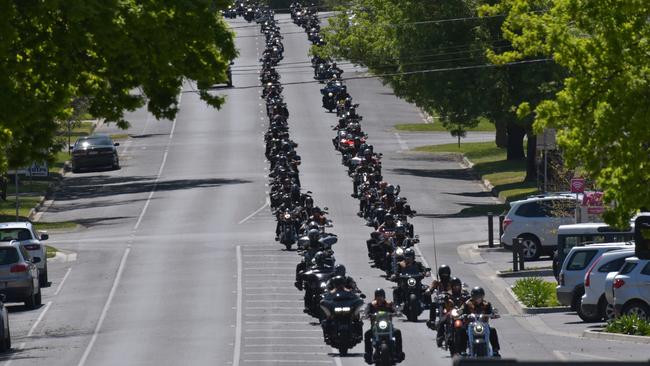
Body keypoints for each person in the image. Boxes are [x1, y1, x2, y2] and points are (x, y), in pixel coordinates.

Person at [363, 288, 404, 364]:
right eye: (378, 296)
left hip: (388, 326)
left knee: (398, 332)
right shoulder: (372, 305)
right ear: (375, 297)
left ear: (384, 296)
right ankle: (368, 354)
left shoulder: (389, 304)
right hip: (375, 327)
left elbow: (395, 308)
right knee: (367, 334)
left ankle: (399, 353)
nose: (379, 298)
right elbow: (366, 311)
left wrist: (397, 312)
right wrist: (365, 315)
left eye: (381, 296)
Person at [458, 287, 501, 357]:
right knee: (462, 331)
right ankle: (462, 350)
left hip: (483, 325)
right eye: (476, 296)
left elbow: (491, 311)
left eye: (479, 296)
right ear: (472, 296)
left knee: (492, 330)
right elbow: (461, 310)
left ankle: (495, 350)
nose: (478, 298)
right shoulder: (467, 303)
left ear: (482, 296)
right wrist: (460, 313)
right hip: (470, 325)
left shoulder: (486, 304)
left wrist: (493, 314)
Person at [426, 265, 453, 329]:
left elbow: (458, 288)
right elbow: (431, 287)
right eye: (443, 273)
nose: (445, 275)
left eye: (446, 273)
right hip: (440, 300)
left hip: (450, 301)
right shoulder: (437, 282)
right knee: (432, 304)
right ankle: (432, 320)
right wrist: (429, 290)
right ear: (440, 273)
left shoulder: (452, 281)